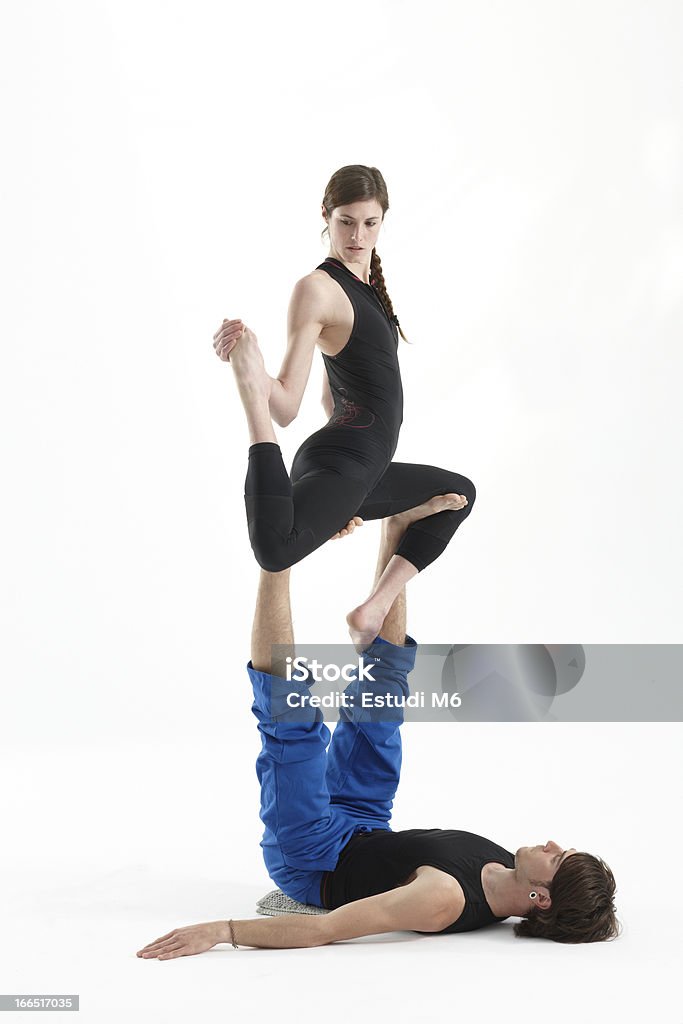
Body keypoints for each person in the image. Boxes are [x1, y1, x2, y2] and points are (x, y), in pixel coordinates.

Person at [136, 504, 620, 960]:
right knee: (383, 696)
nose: (554, 844)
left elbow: (325, 931)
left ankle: (276, 556)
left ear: (539, 898)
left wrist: (223, 931)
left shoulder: (443, 900)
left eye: (557, 859)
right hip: (364, 820)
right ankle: (396, 529)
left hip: (312, 856)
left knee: (293, 721)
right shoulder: (505, 863)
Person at [212, 164, 476, 649]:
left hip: (357, 468)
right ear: (326, 217)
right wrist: (256, 371)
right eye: (346, 221)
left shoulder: (369, 284)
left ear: (383, 221)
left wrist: (339, 502)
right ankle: (247, 391)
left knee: (457, 493)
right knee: (275, 550)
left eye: (370, 223)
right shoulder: (317, 288)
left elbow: (328, 394)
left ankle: (371, 609)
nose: (358, 235)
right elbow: (287, 406)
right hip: (346, 460)